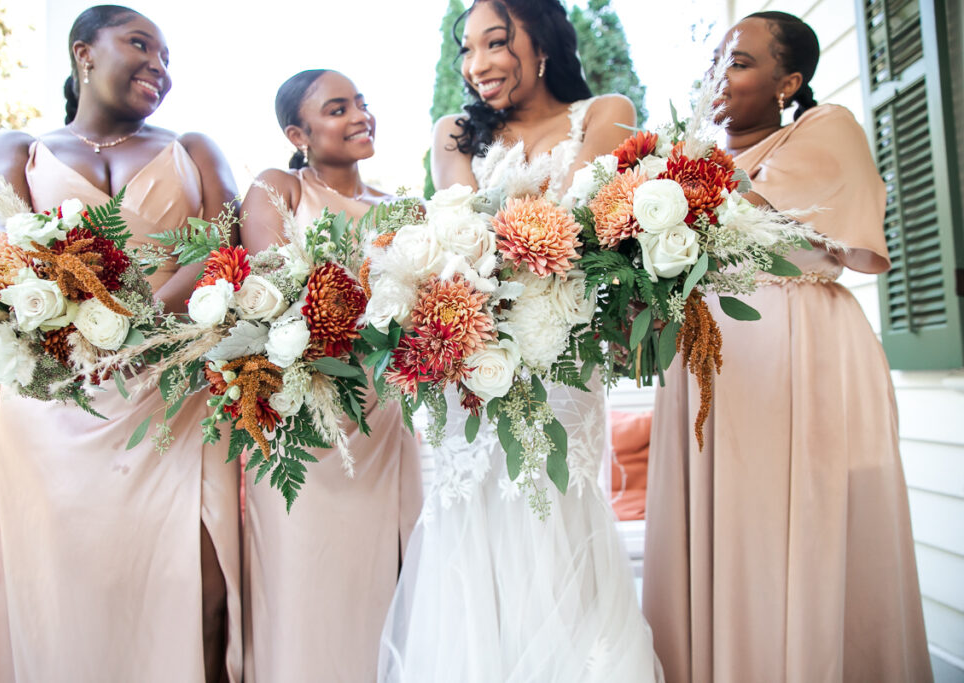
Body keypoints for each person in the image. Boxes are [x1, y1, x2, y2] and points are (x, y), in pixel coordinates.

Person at [642, 12, 933, 683]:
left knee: (808, 527)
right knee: (729, 541)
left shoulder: (822, 128)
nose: (719, 75)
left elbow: (762, 218)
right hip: (711, 362)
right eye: (715, 60)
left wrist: (673, 174)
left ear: (789, 80)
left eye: (739, 62)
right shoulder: (689, 161)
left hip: (808, 356)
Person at [378, 2, 662, 681]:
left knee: (554, 512)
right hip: (470, 359)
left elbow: (574, 227)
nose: (478, 65)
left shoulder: (604, 113)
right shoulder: (453, 133)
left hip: (560, 354)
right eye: (467, 50)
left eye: (497, 42)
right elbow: (462, 229)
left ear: (543, 40)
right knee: (468, 528)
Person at [0, 6, 242, 682]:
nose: (160, 66)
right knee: (63, 594)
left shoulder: (194, 149)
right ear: (83, 53)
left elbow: (225, 238)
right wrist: (73, 325)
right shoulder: (16, 151)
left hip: (173, 393)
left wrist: (143, 323)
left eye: (169, 57)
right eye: (140, 45)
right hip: (56, 399)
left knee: (201, 591)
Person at [238, 69, 422, 683]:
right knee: (302, 575)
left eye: (362, 104)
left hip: (385, 417)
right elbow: (268, 289)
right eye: (338, 108)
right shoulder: (277, 187)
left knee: (387, 577)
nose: (359, 116)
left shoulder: (401, 207)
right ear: (299, 132)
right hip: (305, 411)